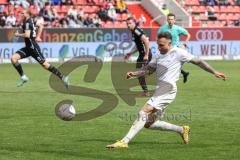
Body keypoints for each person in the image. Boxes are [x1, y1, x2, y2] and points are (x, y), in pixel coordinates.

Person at [106, 32, 226, 148]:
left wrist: (214, 72)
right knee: (148, 123)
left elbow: (198, 61)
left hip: (168, 89)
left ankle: (124, 141)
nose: (159, 47)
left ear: (169, 43)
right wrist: (135, 74)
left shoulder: (179, 53)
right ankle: (182, 129)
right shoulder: (158, 55)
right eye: (158, 44)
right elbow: (149, 69)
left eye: (162, 45)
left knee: (144, 111)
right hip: (161, 89)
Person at [11, 10, 69, 88]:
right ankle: (23, 77)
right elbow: (41, 26)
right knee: (13, 58)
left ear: (27, 14)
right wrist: (38, 36)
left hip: (33, 48)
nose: (21, 14)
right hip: (28, 48)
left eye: (22, 13)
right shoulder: (30, 21)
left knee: (45, 65)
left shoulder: (28, 23)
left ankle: (63, 77)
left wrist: (18, 34)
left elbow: (27, 35)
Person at [158, 13, 191, 83]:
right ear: (167, 20)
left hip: (175, 49)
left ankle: (170, 81)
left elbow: (188, 35)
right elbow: (158, 37)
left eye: (171, 19)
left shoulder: (178, 28)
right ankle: (184, 73)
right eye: (169, 19)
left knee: (169, 65)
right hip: (166, 49)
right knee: (169, 65)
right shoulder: (162, 28)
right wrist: (160, 45)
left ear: (174, 20)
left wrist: (184, 44)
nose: (170, 21)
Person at [124, 17, 152, 97]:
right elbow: (139, 45)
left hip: (145, 55)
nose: (128, 25)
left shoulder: (136, 31)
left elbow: (146, 41)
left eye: (130, 23)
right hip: (141, 54)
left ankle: (146, 90)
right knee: (140, 73)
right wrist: (130, 53)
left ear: (134, 23)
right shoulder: (134, 32)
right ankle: (145, 92)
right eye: (127, 24)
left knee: (141, 72)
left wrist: (146, 54)